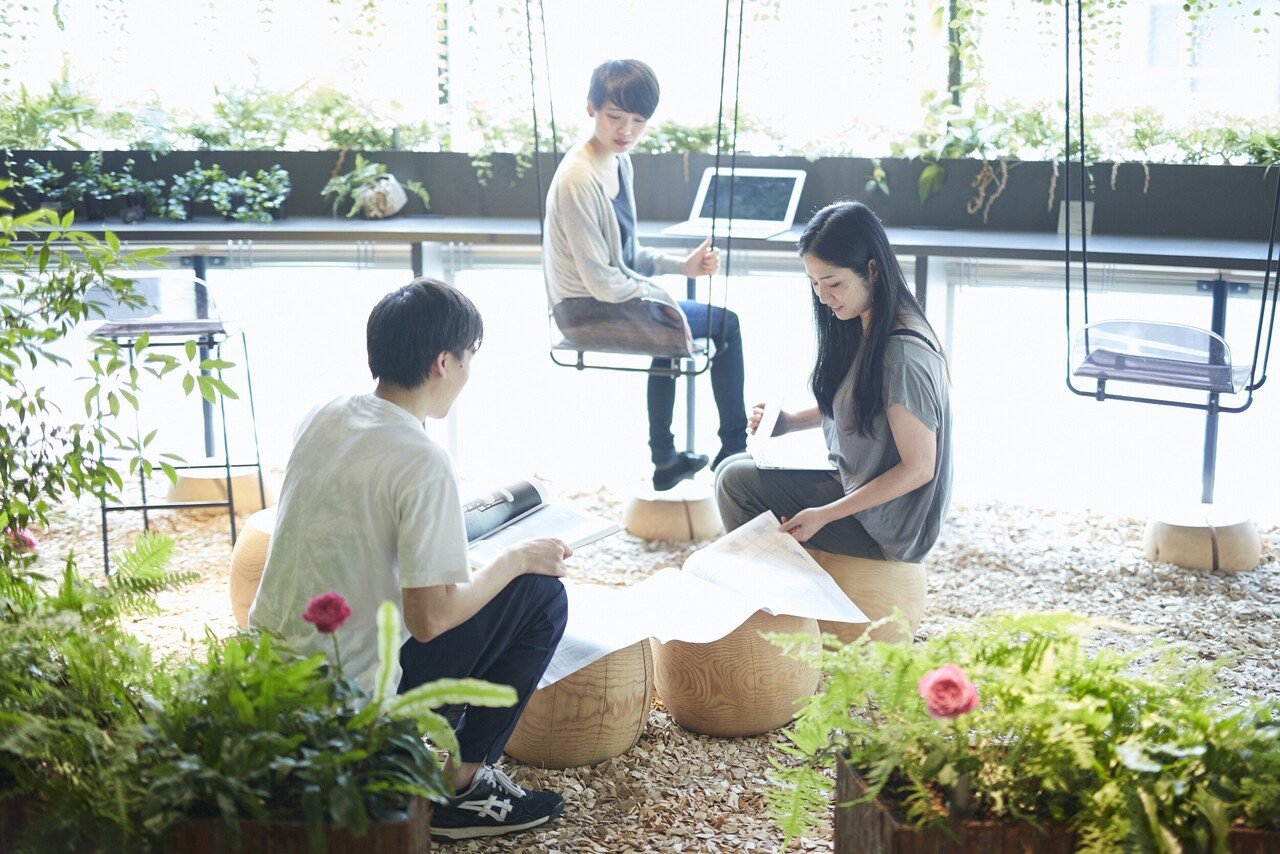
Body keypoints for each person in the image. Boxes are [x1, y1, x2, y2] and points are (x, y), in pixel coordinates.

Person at [250, 278, 571, 842]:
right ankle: (463, 787)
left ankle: (444, 747)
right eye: (470, 358)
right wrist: (517, 558)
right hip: (355, 694)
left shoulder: (323, 415)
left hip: (272, 669)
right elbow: (430, 619)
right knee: (540, 595)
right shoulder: (423, 460)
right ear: (443, 362)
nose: (470, 374)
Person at [543, 58, 748, 491]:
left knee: (670, 327)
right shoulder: (578, 179)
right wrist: (662, 296)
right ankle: (734, 448)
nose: (627, 131)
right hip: (584, 309)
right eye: (615, 117)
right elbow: (601, 281)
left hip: (610, 298)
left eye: (639, 121)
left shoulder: (620, 162)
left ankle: (665, 459)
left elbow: (627, 256)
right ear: (590, 109)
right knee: (723, 324)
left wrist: (682, 267)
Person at [715, 202, 952, 564]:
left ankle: (776, 596)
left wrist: (825, 514)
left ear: (872, 270)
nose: (823, 298)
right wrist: (790, 422)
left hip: (889, 527)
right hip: (861, 489)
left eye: (833, 283)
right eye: (814, 284)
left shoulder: (902, 353)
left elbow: (919, 468)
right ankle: (775, 584)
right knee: (730, 469)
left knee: (737, 485)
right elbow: (862, 401)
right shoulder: (868, 322)